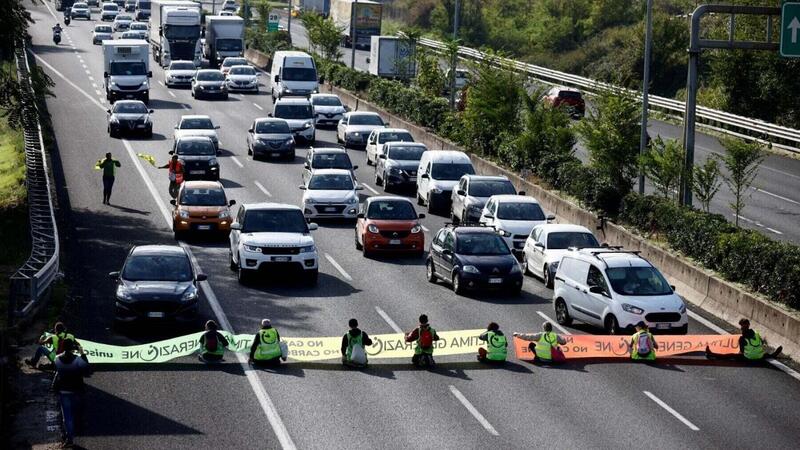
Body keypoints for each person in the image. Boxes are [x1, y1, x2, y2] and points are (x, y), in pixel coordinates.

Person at [52, 339, 90, 446]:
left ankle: (69, 438)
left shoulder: (57, 359)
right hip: (77, 390)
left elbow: (56, 370)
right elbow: (87, 369)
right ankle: (77, 430)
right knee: (77, 413)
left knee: (67, 417)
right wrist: (82, 353)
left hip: (64, 391)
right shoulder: (78, 360)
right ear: (73, 348)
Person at [706, 318, 782, 362]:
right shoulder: (756, 333)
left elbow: (742, 351)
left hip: (749, 358)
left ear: (742, 327)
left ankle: (712, 354)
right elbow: (761, 343)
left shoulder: (742, 338)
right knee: (765, 354)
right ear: (749, 325)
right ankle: (772, 355)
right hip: (760, 356)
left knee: (730, 356)